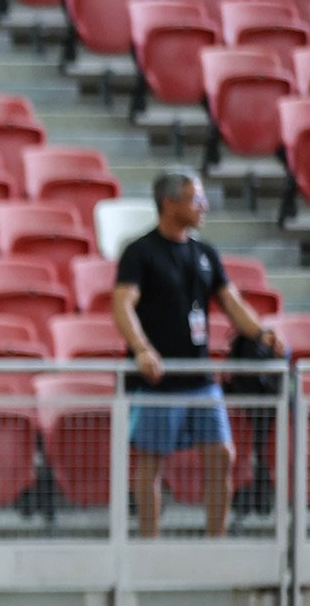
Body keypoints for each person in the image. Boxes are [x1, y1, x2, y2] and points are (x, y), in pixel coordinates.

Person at [111, 169, 282, 538]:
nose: (203, 206)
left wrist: (262, 332)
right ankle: (149, 544)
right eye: (195, 199)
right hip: (158, 381)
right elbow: (122, 304)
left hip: (200, 378)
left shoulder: (205, 253)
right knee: (151, 463)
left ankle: (214, 543)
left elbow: (231, 302)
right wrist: (142, 349)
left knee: (222, 455)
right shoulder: (140, 253)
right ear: (169, 204)